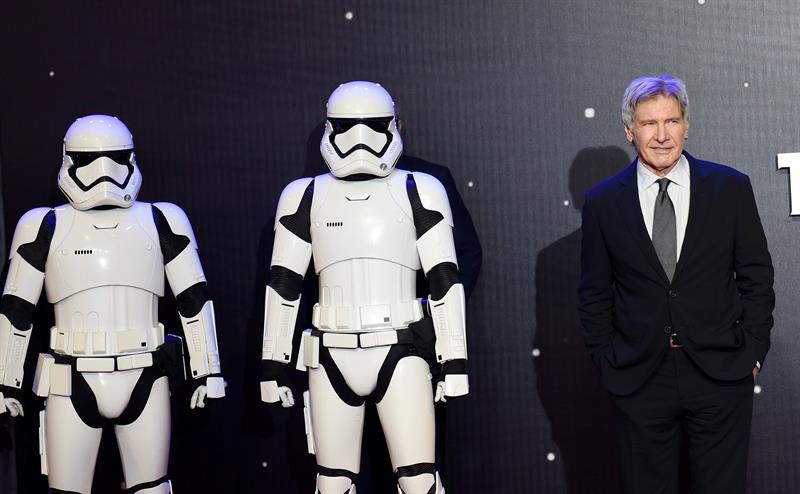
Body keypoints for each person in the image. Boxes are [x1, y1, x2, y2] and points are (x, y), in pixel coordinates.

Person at [260, 81, 468, 493]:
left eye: (373, 126)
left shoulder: (419, 188)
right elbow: (284, 285)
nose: (360, 141)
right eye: (347, 127)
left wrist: (455, 361)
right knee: (333, 484)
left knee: (419, 480)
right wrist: (272, 366)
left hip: (401, 348)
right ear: (328, 128)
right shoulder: (304, 195)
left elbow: (446, 278)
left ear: (394, 126)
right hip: (330, 351)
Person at [0, 115, 225, 493]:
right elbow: (16, 308)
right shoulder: (43, 225)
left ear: (131, 160)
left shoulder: (161, 219)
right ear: (69, 162)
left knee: (153, 487)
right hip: (71, 379)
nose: (103, 173)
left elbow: (194, 299)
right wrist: (6, 381)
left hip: (144, 374)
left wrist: (208, 370)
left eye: (115, 158)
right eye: (89, 161)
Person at [578, 75, 774, 494]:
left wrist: (752, 353)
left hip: (720, 373)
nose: (662, 135)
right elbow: (594, 295)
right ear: (630, 131)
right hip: (639, 378)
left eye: (671, 121)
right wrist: (606, 361)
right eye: (649, 124)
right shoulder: (603, 202)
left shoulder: (730, 187)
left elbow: (757, 276)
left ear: (687, 124)